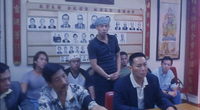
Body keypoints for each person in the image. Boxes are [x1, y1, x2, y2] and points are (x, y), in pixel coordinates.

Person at [38, 63, 106, 110]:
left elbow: (93, 106)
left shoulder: (76, 89)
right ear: (50, 84)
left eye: (64, 76)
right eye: (57, 80)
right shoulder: (45, 97)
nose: (64, 82)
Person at [88, 17, 121, 106]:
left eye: (106, 26)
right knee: (103, 104)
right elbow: (94, 65)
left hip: (115, 76)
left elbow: (118, 56)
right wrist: (107, 76)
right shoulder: (92, 44)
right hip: (101, 79)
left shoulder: (113, 38)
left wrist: (118, 72)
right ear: (96, 27)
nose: (104, 28)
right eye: (102, 26)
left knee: (117, 102)